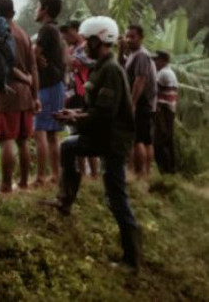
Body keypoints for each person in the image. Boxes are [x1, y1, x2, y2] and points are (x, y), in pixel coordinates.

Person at [43, 16, 142, 271]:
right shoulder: (100, 67)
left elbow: (103, 114)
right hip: (103, 135)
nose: (84, 45)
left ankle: (132, 258)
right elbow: (93, 108)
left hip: (112, 141)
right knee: (68, 147)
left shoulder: (110, 70)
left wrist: (76, 116)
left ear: (99, 40)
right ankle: (65, 201)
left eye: (88, 40)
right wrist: (73, 114)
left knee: (116, 197)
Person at [0, 0, 38, 193]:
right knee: (23, 140)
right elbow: (33, 68)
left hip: (8, 91)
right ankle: (24, 182)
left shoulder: (0, 34)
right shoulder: (24, 34)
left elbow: (3, 65)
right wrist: (35, 96)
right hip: (26, 93)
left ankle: (5, 185)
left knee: (6, 140)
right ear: (13, 12)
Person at [33, 0, 66, 185]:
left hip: (49, 85)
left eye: (38, 6)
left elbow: (34, 53)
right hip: (55, 84)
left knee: (41, 131)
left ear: (45, 9)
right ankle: (55, 174)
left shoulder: (46, 29)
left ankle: (41, 176)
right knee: (52, 133)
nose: (36, 10)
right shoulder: (55, 30)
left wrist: (34, 56)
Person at [60, 20, 99, 178]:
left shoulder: (84, 48)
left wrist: (70, 57)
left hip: (82, 94)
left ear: (77, 31)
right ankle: (83, 173)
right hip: (72, 94)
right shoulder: (71, 48)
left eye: (68, 33)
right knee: (75, 134)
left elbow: (90, 63)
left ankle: (94, 173)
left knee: (86, 133)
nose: (66, 37)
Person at [118, 24, 157, 179]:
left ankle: (139, 173)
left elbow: (140, 80)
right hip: (144, 103)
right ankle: (146, 174)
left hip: (142, 103)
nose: (129, 40)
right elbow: (121, 67)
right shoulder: (133, 54)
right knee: (146, 140)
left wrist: (132, 103)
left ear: (141, 38)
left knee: (138, 140)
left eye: (132, 36)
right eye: (127, 36)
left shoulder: (141, 55)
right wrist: (121, 50)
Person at [153, 50, 178, 174]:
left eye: (156, 59)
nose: (155, 62)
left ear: (163, 60)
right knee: (167, 140)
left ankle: (165, 169)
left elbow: (153, 90)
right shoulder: (169, 72)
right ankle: (171, 169)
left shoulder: (162, 74)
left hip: (163, 110)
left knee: (159, 141)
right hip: (169, 110)